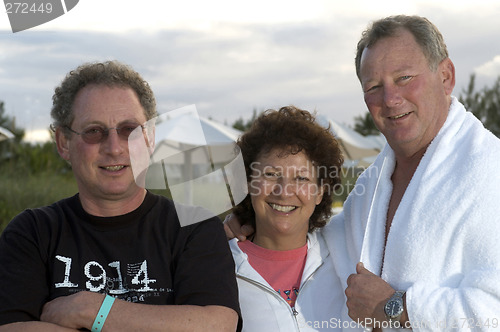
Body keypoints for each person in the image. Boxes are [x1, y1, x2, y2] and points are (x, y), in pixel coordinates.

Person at [226, 15, 500, 331]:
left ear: (446, 76)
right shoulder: (375, 181)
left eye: (405, 77)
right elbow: (326, 237)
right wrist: (248, 221)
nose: (390, 99)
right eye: (373, 86)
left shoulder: (489, 171)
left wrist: (398, 307)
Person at [0, 60, 241, 331]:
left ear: (150, 138)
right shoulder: (31, 232)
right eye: (94, 131)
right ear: (63, 143)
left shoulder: (194, 227)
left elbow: (217, 324)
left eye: (129, 130)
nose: (114, 148)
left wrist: (93, 310)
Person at [229, 106, 347, 331]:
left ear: (320, 191)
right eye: (271, 175)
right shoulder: (217, 266)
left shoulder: (344, 255)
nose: (284, 192)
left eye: (301, 178)